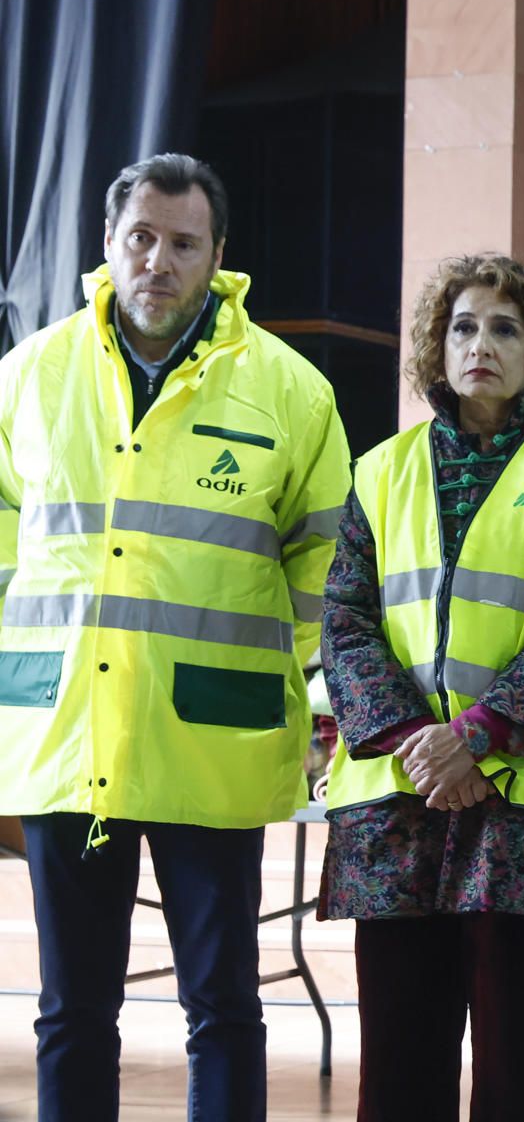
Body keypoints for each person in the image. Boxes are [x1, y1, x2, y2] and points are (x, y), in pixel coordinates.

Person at [0, 153, 351, 1121]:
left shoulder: (289, 390)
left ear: (217, 256)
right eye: (140, 239)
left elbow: (329, 562)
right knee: (72, 1008)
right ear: (107, 247)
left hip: (216, 731)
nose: (158, 260)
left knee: (224, 1004)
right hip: (69, 724)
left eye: (182, 243)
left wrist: (283, 673)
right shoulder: (30, 376)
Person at [318, 254, 524, 1122]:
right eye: (464, 326)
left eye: (507, 328)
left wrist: (481, 736)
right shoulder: (377, 471)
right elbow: (343, 621)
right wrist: (417, 746)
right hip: (399, 797)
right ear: (438, 344)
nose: (482, 344)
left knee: (523, 1071)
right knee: (398, 1068)